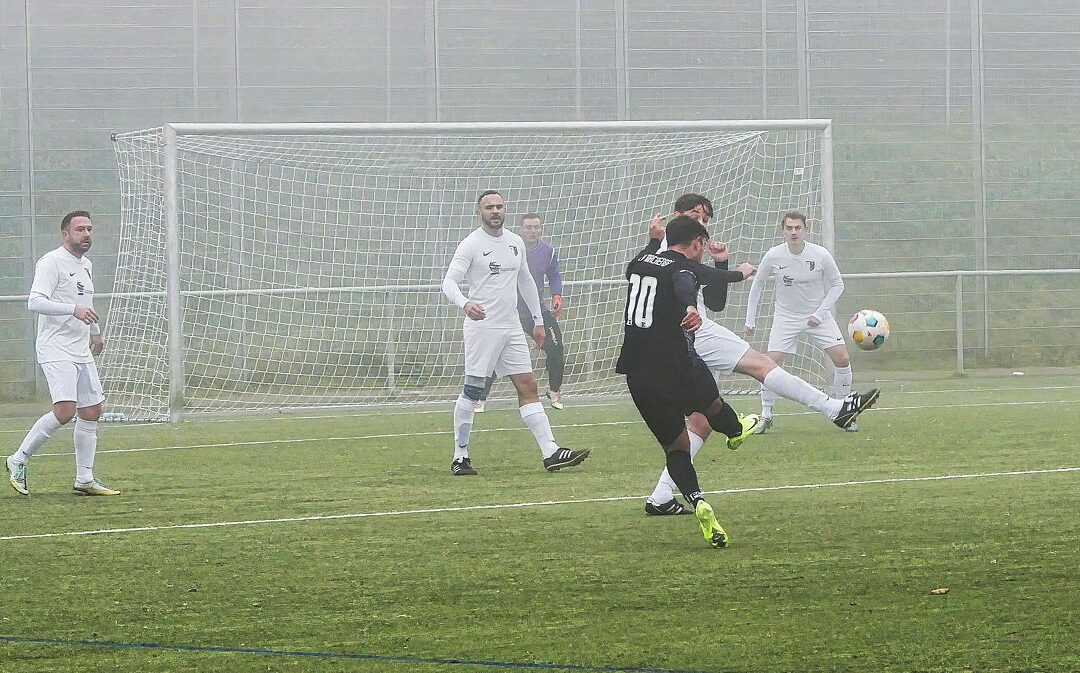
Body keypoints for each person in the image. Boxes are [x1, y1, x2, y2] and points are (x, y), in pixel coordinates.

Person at [642, 195, 879, 517]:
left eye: (706, 218)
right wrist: (735, 274)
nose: (702, 222)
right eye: (696, 215)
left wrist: (721, 262)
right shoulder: (667, 248)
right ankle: (835, 408)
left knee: (700, 423)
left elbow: (714, 302)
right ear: (678, 215)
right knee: (762, 363)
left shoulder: (690, 248)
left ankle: (660, 496)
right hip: (686, 333)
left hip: (687, 334)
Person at [617, 215, 761, 548]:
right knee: (712, 407)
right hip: (676, 367)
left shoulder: (641, 262)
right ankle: (736, 430)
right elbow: (695, 279)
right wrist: (739, 273)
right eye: (701, 245)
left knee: (676, 448)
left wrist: (653, 240)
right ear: (695, 243)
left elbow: (638, 266)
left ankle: (697, 501)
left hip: (637, 374)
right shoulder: (682, 267)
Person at [441, 191, 589, 476]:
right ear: (479, 211)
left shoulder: (515, 242)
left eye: (499, 206)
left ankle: (551, 452)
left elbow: (527, 282)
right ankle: (460, 456)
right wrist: (465, 303)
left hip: (511, 328)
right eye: (489, 207)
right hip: (482, 328)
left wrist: (538, 320)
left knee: (528, 385)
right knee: (473, 391)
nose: (495, 211)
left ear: (504, 210)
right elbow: (448, 282)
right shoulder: (471, 244)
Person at [5, 211, 120, 496]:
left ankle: (84, 479)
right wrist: (72, 310)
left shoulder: (86, 264)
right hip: (55, 347)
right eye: (80, 229)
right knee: (66, 410)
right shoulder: (51, 262)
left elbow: (86, 301)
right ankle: (17, 459)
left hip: (80, 347)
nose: (86, 234)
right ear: (65, 233)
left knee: (92, 410)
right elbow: (35, 302)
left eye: (89, 229)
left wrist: (95, 330)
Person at [744, 211, 856, 432]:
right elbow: (757, 285)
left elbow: (837, 285)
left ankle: (845, 412)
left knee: (842, 357)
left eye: (798, 228)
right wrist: (750, 319)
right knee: (770, 362)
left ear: (806, 230)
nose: (793, 232)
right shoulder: (774, 255)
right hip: (785, 317)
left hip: (818, 316)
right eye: (789, 228)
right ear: (783, 230)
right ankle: (766, 415)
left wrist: (820, 313)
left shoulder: (820, 254)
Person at [475, 213, 567, 412]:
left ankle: (554, 390)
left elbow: (554, 275)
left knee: (556, 348)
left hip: (538, 312)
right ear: (521, 229)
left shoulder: (548, 251)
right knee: (493, 352)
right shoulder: (508, 249)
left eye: (536, 227)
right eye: (528, 227)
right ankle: (480, 398)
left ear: (541, 229)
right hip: (508, 313)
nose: (532, 231)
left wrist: (557, 295)